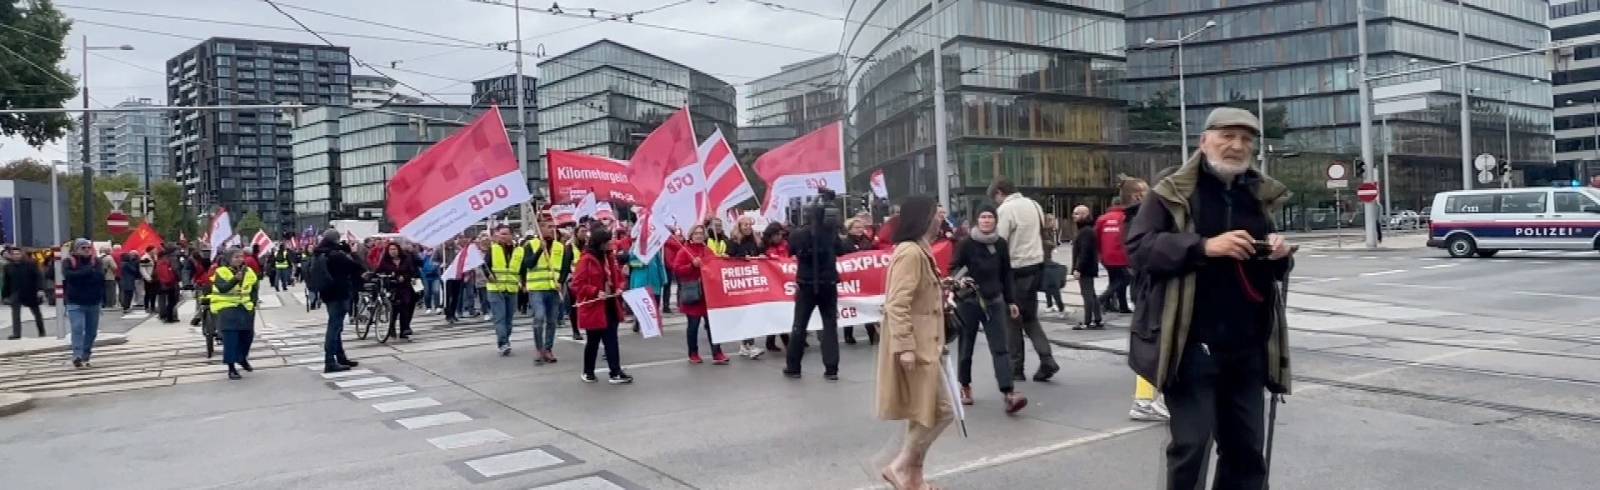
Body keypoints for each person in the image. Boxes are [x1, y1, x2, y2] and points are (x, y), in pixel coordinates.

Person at [1125, 107, 1295, 490]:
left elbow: (1269, 271)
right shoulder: (1172, 190)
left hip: (1247, 346)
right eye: (1227, 136)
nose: (1237, 146)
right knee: (1192, 445)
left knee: (1247, 451)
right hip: (1190, 346)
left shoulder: (1257, 193)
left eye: (1246, 139)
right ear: (1204, 141)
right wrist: (1204, 246)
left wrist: (1280, 256)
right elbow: (1138, 250)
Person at [875, 195, 951, 490]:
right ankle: (900, 466)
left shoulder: (921, 249)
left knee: (924, 410)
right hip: (917, 346)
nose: (940, 217)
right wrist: (905, 346)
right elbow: (897, 303)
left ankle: (913, 478)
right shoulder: (910, 252)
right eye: (935, 213)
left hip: (927, 343)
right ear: (923, 217)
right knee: (942, 410)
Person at [948, 207, 1028, 413]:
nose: (986, 220)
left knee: (1000, 348)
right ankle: (965, 386)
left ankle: (1008, 392)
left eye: (990, 217)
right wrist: (962, 279)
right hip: (969, 302)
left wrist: (1011, 301)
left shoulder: (1000, 243)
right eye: (983, 217)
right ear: (977, 220)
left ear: (995, 220)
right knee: (966, 347)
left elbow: (1007, 273)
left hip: (994, 301)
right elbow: (953, 267)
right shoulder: (966, 243)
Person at [990, 177, 1060, 382]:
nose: (996, 202)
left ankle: (1016, 367)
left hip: (1015, 270)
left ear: (1000, 192)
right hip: (1036, 267)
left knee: (1012, 319)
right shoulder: (1033, 205)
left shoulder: (1006, 210)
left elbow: (999, 242)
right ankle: (1046, 358)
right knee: (1029, 317)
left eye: (996, 198)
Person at [1113, 176, 1170, 422]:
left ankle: (1146, 400)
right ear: (1138, 196)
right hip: (1150, 286)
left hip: (1143, 285)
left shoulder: (1132, 217)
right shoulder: (1142, 217)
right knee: (1157, 343)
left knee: (1153, 342)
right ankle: (1148, 401)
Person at [783, 192, 851, 381]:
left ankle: (793, 366)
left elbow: (790, 250)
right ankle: (831, 369)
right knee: (829, 325)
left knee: (799, 325)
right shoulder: (830, 234)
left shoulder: (798, 234)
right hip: (828, 282)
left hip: (806, 283)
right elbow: (842, 250)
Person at [573, 227, 633, 384]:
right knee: (593, 341)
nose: (611, 243)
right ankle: (588, 371)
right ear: (600, 243)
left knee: (611, 339)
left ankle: (615, 372)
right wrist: (595, 291)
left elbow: (617, 276)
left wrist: (620, 286)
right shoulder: (586, 259)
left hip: (610, 303)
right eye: (608, 241)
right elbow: (577, 283)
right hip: (594, 306)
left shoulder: (609, 257)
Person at [671, 225, 727, 365]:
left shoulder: (707, 250)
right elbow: (677, 270)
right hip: (693, 293)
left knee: (712, 325)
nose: (699, 236)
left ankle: (717, 352)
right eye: (696, 233)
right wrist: (692, 266)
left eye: (701, 233)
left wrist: (721, 260)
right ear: (691, 235)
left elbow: (714, 266)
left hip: (707, 294)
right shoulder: (684, 251)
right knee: (693, 326)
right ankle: (693, 353)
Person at [313, 230, 363, 373]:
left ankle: (340, 357)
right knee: (334, 328)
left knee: (337, 327)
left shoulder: (321, 253)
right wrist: (353, 252)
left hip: (328, 294)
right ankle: (329, 361)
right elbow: (356, 266)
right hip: (339, 294)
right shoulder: (336, 255)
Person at [525, 217, 574, 364]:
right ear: (540, 229)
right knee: (539, 317)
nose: (552, 229)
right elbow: (528, 264)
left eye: (553, 226)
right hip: (537, 288)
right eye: (548, 226)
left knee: (552, 320)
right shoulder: (531, 245)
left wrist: (560, 281)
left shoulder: (560, 246)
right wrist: (541, 249)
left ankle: (548, 349)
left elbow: (565, 267)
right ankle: (539, 349)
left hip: (553, 288)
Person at [484, 224, 535, 356]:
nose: (503, 236)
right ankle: (503, 343)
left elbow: (523, 269)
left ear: (511, 235)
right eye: (501, 234)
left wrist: (524, 284)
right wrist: (488, 275)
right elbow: (484, 265)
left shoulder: (519, 250)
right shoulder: (493, 249)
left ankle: (505, 339)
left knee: (509, 319)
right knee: (500, 318)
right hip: (496, 289)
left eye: (506, 234)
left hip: (512, 288)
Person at [210, 248, 259, 380]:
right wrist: (235, 280)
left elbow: (255, 286)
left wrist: (253, 302)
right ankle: (231, 368)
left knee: (247, 335)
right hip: (227, 308)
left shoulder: (248, 271)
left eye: (241, 257)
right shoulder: (221, 271)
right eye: (236, 257)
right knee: (231, 338)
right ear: (228, 259)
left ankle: (242, 358)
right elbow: (222, 288)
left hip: (245, 307)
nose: (239, 259)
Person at [1097, 180, 1144, 315]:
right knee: (1124, 280)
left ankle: (1120, 306)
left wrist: (1100, 255)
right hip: (1122, 257)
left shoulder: (1103, 218)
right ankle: (1101, 300)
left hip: (1107, 258)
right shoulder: (1126, 217)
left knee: (1114, 280)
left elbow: (1097, 237)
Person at [725, 216, 767, 359]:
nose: (748, 227)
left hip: (753, 281)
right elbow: (729, 258)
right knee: (745, 314)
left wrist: (760, 257)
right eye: (745, 225)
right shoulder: (733, 241)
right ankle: (749, 345)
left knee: (752, 314)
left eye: (750, 224)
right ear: (739, 226)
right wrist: (742, 258)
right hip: (741, 282)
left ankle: (746, 345)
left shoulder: (755, 240)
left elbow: (758, 254)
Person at [63, 239, 105, 368]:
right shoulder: (69, 261)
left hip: (93, 301)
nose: (87, 250)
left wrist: (81, 275)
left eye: (88, 247)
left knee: (92, 332)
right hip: (75, 302)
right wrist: (87, 272)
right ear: (76, 250)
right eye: (83, 248)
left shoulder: (96, 261)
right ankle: (77, 355)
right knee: (77, 328)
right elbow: (69, 276)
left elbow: (99, 277)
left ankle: (86, 354)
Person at [841, 217, 879, 345]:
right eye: (856, 228)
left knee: (867, 306)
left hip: (867, 278)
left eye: (861, 227)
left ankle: (872, 334)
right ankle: (848, 334)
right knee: (852, 306)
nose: (860, 230)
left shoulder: (866, 241)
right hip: (852, 279)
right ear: (849, 229)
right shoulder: (845, 243)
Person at [1067, 205, 1103, 330]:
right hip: (1089, 267)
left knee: (1087, 294)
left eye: (1076, 213)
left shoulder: (1086, 231)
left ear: (1085, 215)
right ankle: (1097, 319)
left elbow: (1084, 251)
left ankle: (1088, 321)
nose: (1073, 216)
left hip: (1086, 268)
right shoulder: (1086, 230)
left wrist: (1078, 268)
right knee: (1091, 294)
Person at [376, 241, 420, 340]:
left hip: (405, 286)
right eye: (391, 249)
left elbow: (412, 272)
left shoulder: (406, 259)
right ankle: (392, 328)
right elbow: (378, 271)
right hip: (391, 288)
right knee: (394, 309)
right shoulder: (385, 261)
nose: (393, 251)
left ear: (398, 250)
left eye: (394, 249)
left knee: (405, 306)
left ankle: (404, 329)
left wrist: (404, 277)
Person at [4, 247, 46, 339]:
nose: (16, 256)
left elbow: (38, 277)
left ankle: (41, 331)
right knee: (15, 314)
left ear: (21, 254)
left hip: (30, 291)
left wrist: (40, 289)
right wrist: (5, 295)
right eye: (14, 254)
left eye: (18, 254)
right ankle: (16, 334)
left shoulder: (30, 264)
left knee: (36, 313)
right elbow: (6, 282)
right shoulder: (8, 267)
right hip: (16, 292)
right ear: (11, 255)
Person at [155, 248, 182, 323]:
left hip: (162, 283)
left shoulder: (159, 263)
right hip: (170, 283)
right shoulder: (167, 262)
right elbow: (175, 270)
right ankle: (170, 316)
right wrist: (178, 279)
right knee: (173, 300)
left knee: (165, 300)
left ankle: (165, 315)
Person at [421, 248, 442, 314]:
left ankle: (437, 307)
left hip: (435, 276)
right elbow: (420, 264)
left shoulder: (436, 253)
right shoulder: (423, 255)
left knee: (436, 291)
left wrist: (438, 265)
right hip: (426, 277)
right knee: (427, 292)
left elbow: (440, 261)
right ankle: (428, 307)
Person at [139, 249, 157, 314]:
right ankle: (146, 307)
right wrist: (147, 278)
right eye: (154, 250)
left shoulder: (155, 257)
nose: (155, 252)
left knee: (154, 293)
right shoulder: (144, 258)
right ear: (150, 251)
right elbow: (142, 269)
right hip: (148, 277)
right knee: (148, 293)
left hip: (155, 277)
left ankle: (153, 307)